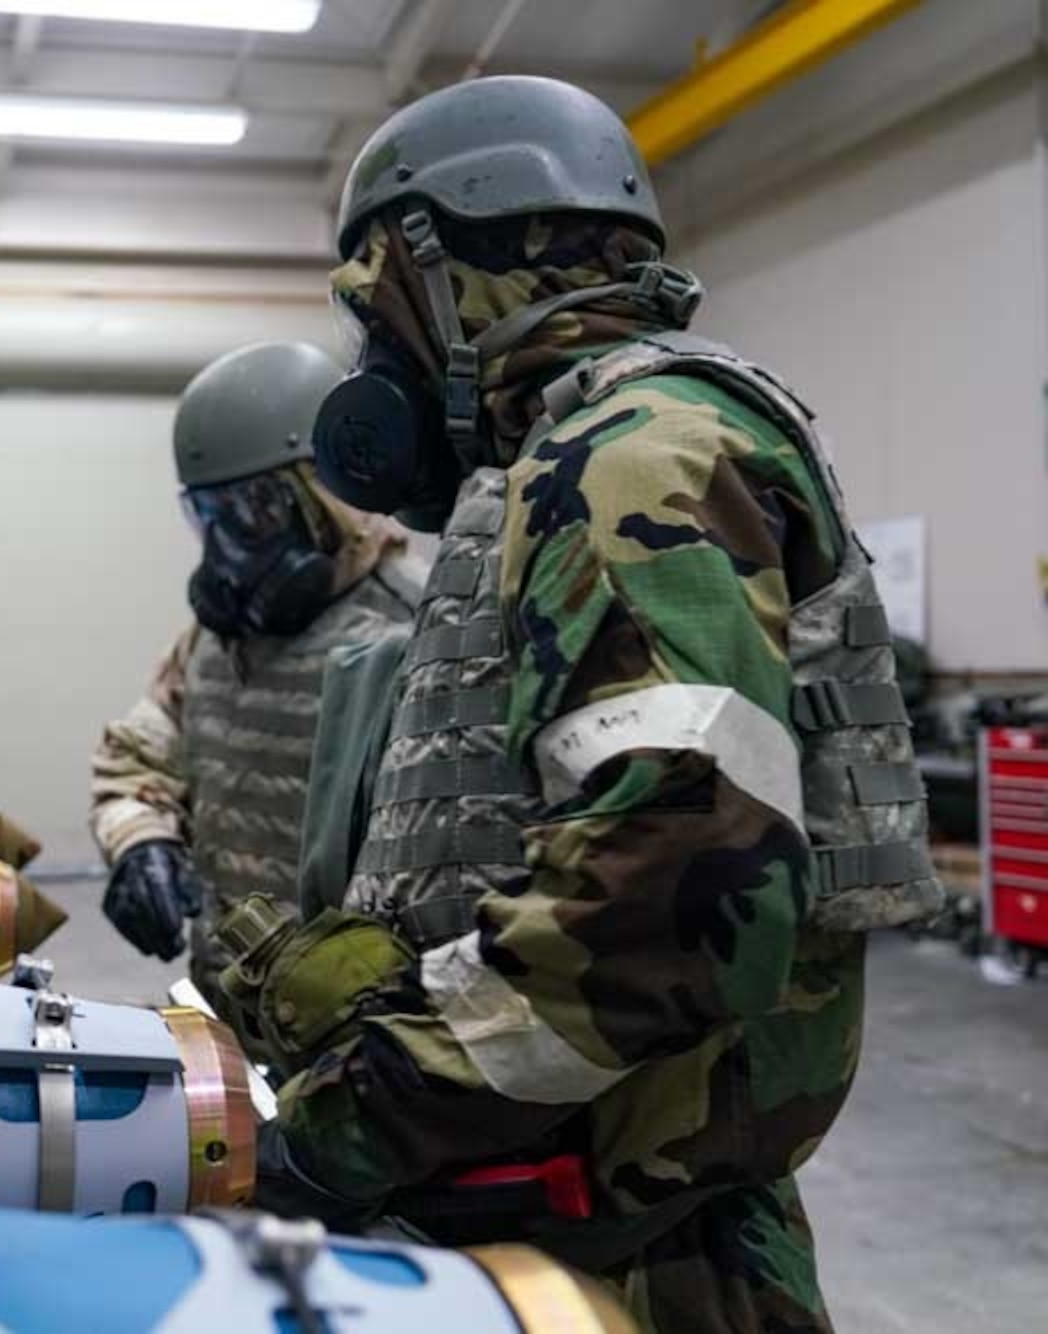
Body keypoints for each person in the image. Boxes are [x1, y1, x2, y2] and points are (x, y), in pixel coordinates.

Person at [213, 78, 943, 1333]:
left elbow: (671, 895)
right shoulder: (580, 452)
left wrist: (348, 1125)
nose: (372, 361)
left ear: (445, 270)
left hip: (636, 1263)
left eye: (376, 309)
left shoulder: (628, 456)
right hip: (576, 1210)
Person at [87, 341, 422, 1015]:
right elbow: (135, 759)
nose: (229, 548)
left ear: (327, 496)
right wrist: (139, 839)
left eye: (254, 509)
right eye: (211, 515)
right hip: (225, 1013)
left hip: (360, 1038)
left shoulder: (420, 638)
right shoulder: (213, 640)